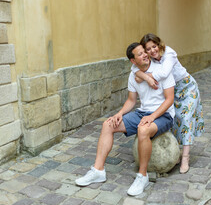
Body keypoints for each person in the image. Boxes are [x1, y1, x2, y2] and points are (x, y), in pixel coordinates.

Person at [75, 42, 175, 196]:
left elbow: (169, 100)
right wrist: (119, 113)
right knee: (108, 125)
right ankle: (98, 171)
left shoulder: (162, 69)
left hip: (164, 114)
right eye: (140, 54)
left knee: (143, 130)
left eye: (144, 52)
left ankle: (142, 177)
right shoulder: (133, 75)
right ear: (133, 61)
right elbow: (131, 100)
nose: (145, 55)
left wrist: (152, 117)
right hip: (143, 112)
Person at [132, 33, 204, 174]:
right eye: (148, 49)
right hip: (172, 91)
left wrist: (146, 77)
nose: (153, 50)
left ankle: (185, 157)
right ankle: (176, 152)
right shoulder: (152, 60)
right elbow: (134, 69)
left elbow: (164, 73)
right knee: (175, 119)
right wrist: (143, 75)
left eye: (154, 46)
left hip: (187, 88)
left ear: (159, 45)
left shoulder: (169, 53)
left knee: (185, 119)